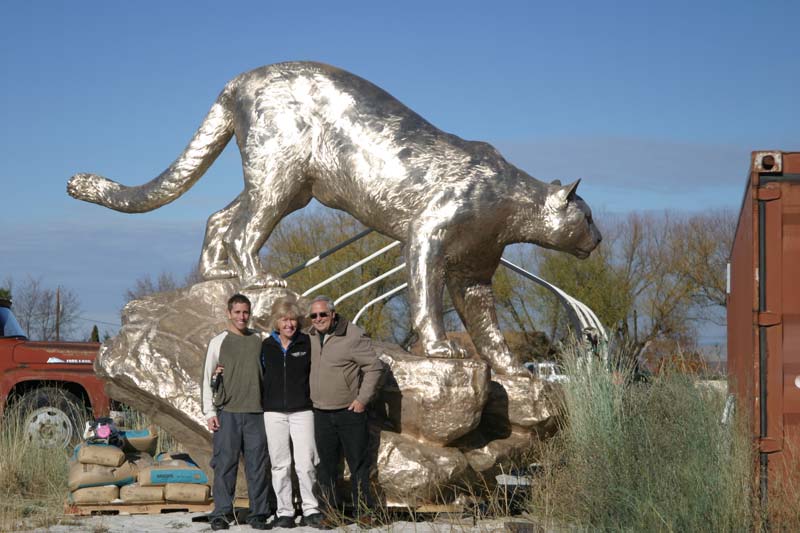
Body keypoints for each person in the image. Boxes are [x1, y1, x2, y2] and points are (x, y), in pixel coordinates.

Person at [307, 295, 383, 525]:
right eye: (313, 315)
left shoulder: (352, 336)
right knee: (327, 467)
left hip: (350, 413)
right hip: (320, 412)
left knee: (358, 464)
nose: (318, 319)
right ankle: (331, 513)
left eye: (322, 314)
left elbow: (374, 367)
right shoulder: (309, 336)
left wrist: (362, 399)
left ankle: (364, 512)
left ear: (332, 314)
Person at [201, 293, 271, 531]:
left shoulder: (259, 340)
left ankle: (259, 513)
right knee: (225, 465)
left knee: (257, 466)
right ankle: (221, 513)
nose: (242, 317)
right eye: (238, 312)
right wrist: (209, 412)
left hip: (256, 413)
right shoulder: (218, 341)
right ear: (229, 313)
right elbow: (206, 378)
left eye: (246, 312)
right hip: (227, 412)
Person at [261, 297, 326, 529]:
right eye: (283, 319)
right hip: (273, 412)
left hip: (302, 411)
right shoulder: (266, 346)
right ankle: (285, 512)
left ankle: (310, 509)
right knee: (280, 464)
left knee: (306, 463)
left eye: (292, 319)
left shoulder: (307, 343)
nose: (289, 324)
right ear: (276, 322)